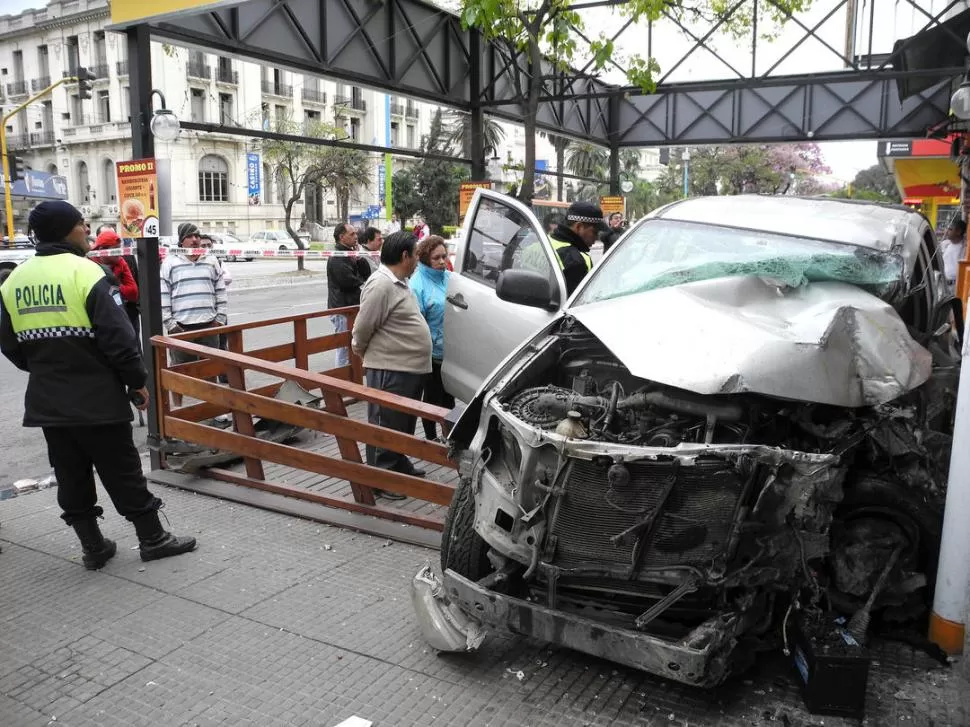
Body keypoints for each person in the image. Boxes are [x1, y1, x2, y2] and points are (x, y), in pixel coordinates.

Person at [0, 200, 196, 569]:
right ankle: (153, 539)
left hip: (49, 402)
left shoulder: (14, 281)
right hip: (97, 401)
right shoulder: (86, 274)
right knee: (122, 470)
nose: (87, 229)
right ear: (65, 230)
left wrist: (47, 369)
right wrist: (136, 383)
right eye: (81, 223)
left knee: (70, 473)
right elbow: (119, 341)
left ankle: (93, 548)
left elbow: (9, 345)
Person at [352, 230, 432, 498]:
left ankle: (398, 463)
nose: (418, 262)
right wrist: (365, 354)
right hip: (390, 367)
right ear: (404, 256)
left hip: (409, 368)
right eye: (416, 256)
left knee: (403, 423)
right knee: (385, 423)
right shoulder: (381, 284)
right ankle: (382, 478)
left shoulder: (400, 282)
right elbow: (363, 328)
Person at [160, 223, 228, 407]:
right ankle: (178, 410)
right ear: (182, 240)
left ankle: (215, 410)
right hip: (181, 328)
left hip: (209, 325)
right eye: (190, 236)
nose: (195, 239)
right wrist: (171, 324)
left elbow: (220, 291)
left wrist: (220, 319)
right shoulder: (170, 263)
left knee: (211, 369)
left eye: (197, 235)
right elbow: (164, 295)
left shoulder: (211, 260)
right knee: (179, 373)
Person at [410, 236, 456, 441]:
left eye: (444, 257)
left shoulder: (449, 278)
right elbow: (415, 321)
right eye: (436, 257)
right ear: (425, 258)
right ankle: (431, 439)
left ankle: (450, 436)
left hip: (451, 350)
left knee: (448, 398)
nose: (441, 261)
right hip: (429, 352)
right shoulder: (417, 284)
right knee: (431, 399)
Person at [327, 223, 372, 370]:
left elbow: (366, 274)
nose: (356, 237)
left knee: (352, 346)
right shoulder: (338, 257)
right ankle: (343, 381)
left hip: (351, 308)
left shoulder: (350, 253)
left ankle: (352, 378)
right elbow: (348, 282)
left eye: (356, 234)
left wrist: (359, 259)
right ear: (341, 237)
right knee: (345, 348)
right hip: (342, 309)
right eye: (352, 234)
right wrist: (365, 287)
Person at [551, 201, 607, 296]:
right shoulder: (576, 261)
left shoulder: (541, 243)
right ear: (579, 227)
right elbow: (579, 305)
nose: (597, 238)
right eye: (595, 232)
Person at [92, 228, 140, 337]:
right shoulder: (89, 264)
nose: (120, 252)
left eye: (120, 248)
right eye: (116, 249)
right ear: (102, 250)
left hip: (125, 315)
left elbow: (133, 293)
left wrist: (115, 285)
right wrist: (118, 286)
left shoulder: (121, 262)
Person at [941, 218, 966, 294]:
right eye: (946, 228)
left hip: (956, 286)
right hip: (943, 285)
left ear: (958, 232)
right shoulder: (945, 244)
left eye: (950, 229)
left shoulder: (965, 248)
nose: (946, 231)